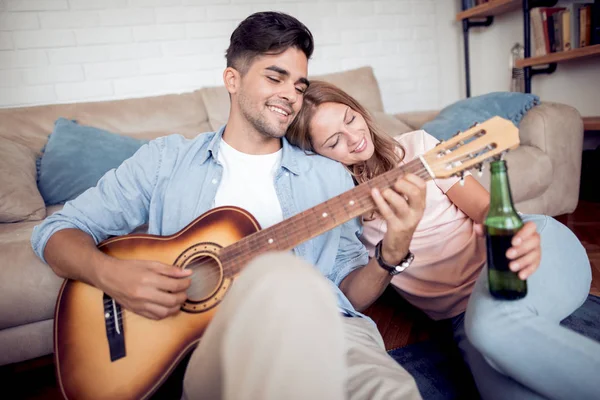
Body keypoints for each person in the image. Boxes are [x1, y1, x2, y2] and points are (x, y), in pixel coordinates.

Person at [30, 12, 425, 400]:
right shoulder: (165, 160)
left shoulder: (328, 177)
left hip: (326, 331)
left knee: (391, 391)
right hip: (210, 346)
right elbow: (56, 231)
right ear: (232, 80)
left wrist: (391, 253)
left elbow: (348, 293)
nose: (290, 94)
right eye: (275, 77)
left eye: (299, 85)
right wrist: (112, 276)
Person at [286, 80, 599, 400]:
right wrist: (392, 246)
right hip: (462, 318)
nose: (354, 138)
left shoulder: (419, 147)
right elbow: (351, 299)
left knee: (493, 328)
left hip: (523, 252)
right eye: (335, 140)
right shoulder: (336, 208)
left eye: (350, 119)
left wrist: (509, 233)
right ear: (314, 156)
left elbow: (484, 209)